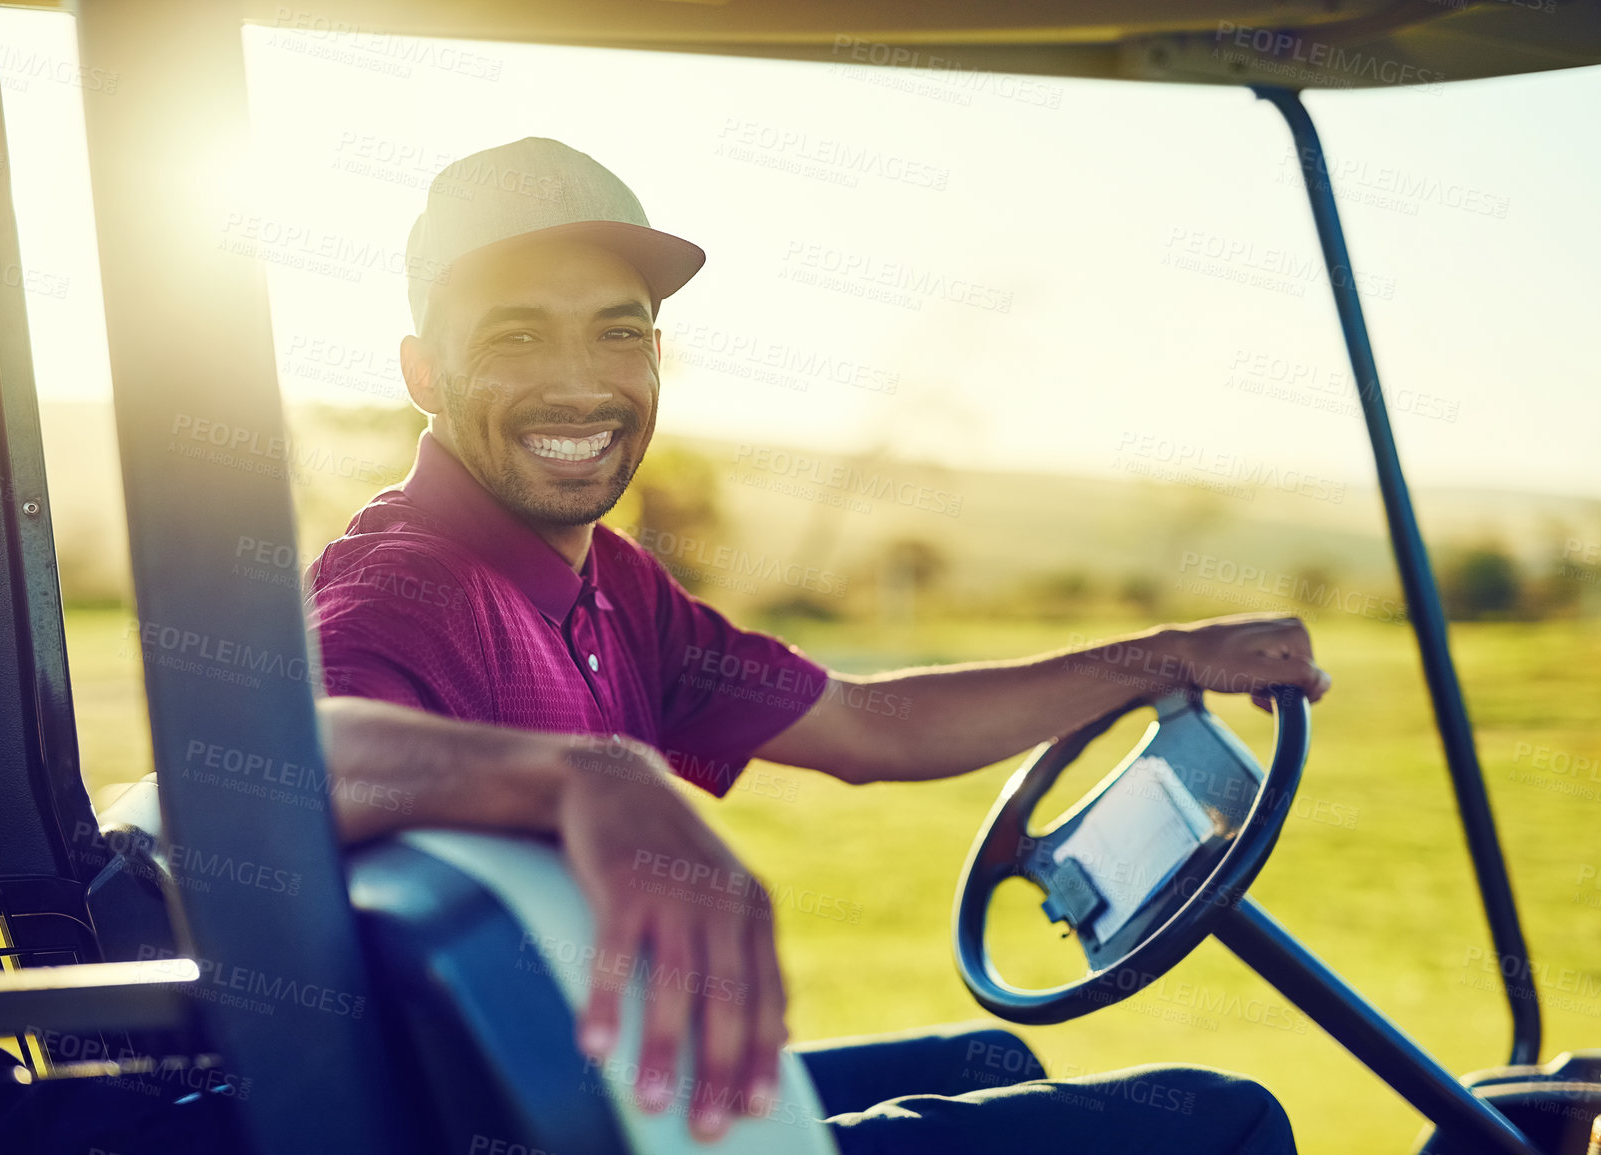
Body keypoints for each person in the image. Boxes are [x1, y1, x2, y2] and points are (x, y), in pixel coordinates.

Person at [306, 136, 1329, 1154]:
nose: (580, 386)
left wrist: (1167, 657)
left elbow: (867, 724)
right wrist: (586, 777)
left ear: (657, 355)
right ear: (425, 372)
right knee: (1223, 1121)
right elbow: (299, 754)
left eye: (618, 333)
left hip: (616, 1099)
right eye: (518, 339)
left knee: (993, 1064)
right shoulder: (404, 580)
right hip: (558, 1123)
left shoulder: (614, 586)